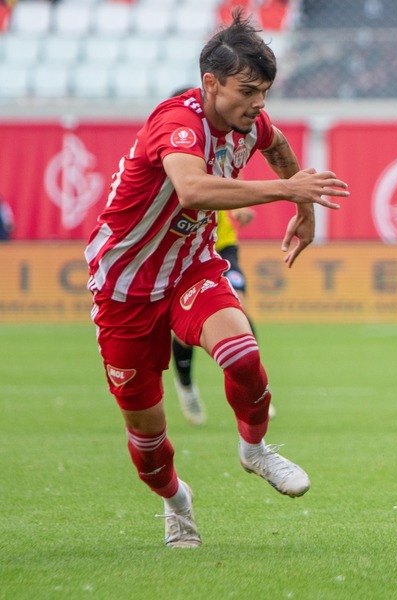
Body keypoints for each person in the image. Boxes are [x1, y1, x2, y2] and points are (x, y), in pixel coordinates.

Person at [84, 10, 349, 548]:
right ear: (211, 83)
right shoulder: (176, 122)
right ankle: (176, 501)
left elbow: (278, 149)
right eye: (248, 90)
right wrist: (288, 192)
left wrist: (307, 211)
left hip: (191, 268)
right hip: (125, 288)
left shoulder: (250, 122)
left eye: (265, 92)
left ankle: (254, 449)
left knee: (244, 355)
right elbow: (194, 192)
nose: (258, 104)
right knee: (147, 434)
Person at [170, 206, 278, 427]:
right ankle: (186, 385)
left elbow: (229, 182)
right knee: (185, 330)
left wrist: (240, 206)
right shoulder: (169, 171)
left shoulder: (218, 168)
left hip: (221, 244)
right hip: (184, 250)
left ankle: (254, 388)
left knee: (240, 310)